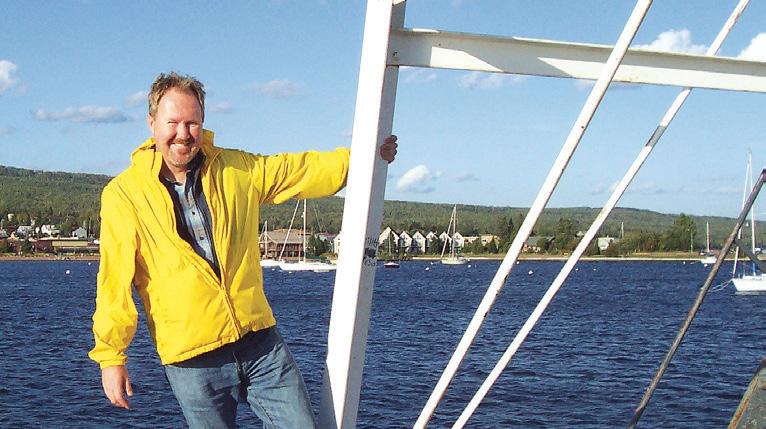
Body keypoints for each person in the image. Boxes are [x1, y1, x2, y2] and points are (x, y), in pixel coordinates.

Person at [89, 71, 398, 428]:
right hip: (192, 361)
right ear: (152, 123)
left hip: (259, 343)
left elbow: (296, 171)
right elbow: (114, 282)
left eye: (192, 123)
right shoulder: (124, 196)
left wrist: (363, 157)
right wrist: (111, 357)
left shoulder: (235, 170)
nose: (183, 133)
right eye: (172, 122)